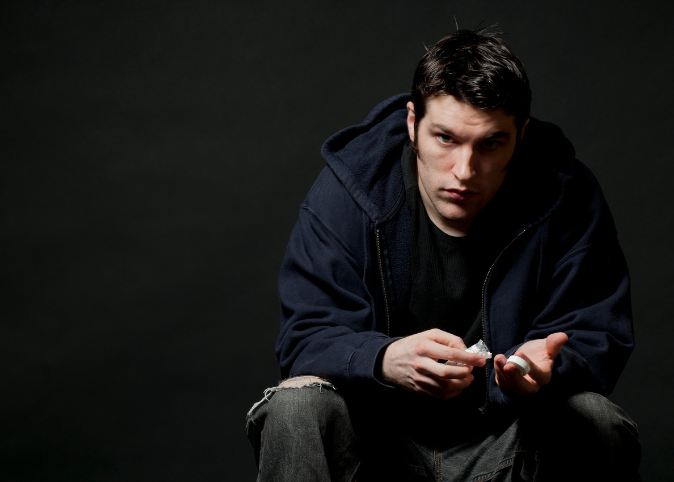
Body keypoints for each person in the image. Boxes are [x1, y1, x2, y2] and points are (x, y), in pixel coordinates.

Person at [246, 27, 640, 481]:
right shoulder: (350, 189)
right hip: (376, 444)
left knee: (594, 419)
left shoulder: (567, 195)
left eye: (491, 143)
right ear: (412, 123)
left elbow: (596, 333)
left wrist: (541, 372)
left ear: (521, 135)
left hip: (508, 439)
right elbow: (305, 337)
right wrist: (384, 359)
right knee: (296, 406)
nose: (464, 171)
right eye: (445, 138)